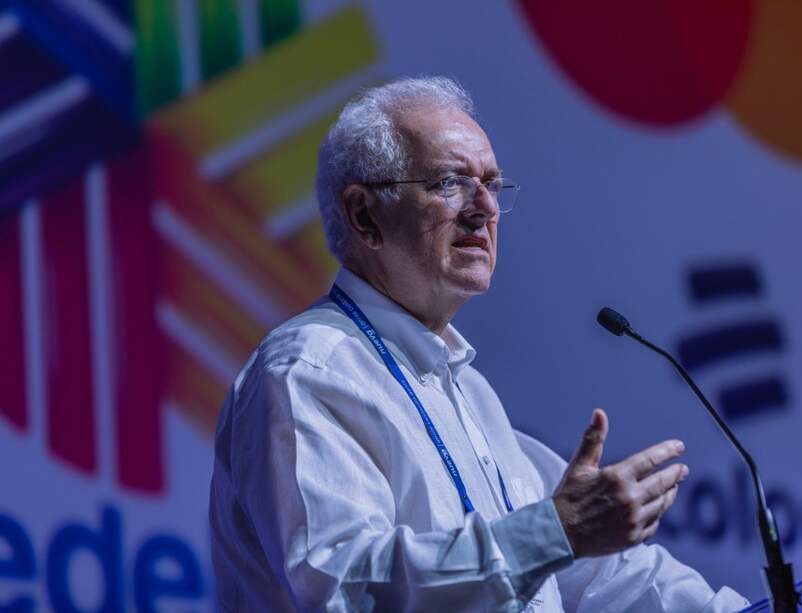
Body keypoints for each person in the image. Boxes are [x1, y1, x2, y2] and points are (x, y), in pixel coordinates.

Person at [209, 76, 749, 612]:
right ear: (364, 213)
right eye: (449, 182)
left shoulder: (469, 391)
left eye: (492, 184)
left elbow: (606, 575)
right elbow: (346, 590)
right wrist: (551, 533)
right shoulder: (311, 369)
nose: (484, 208)